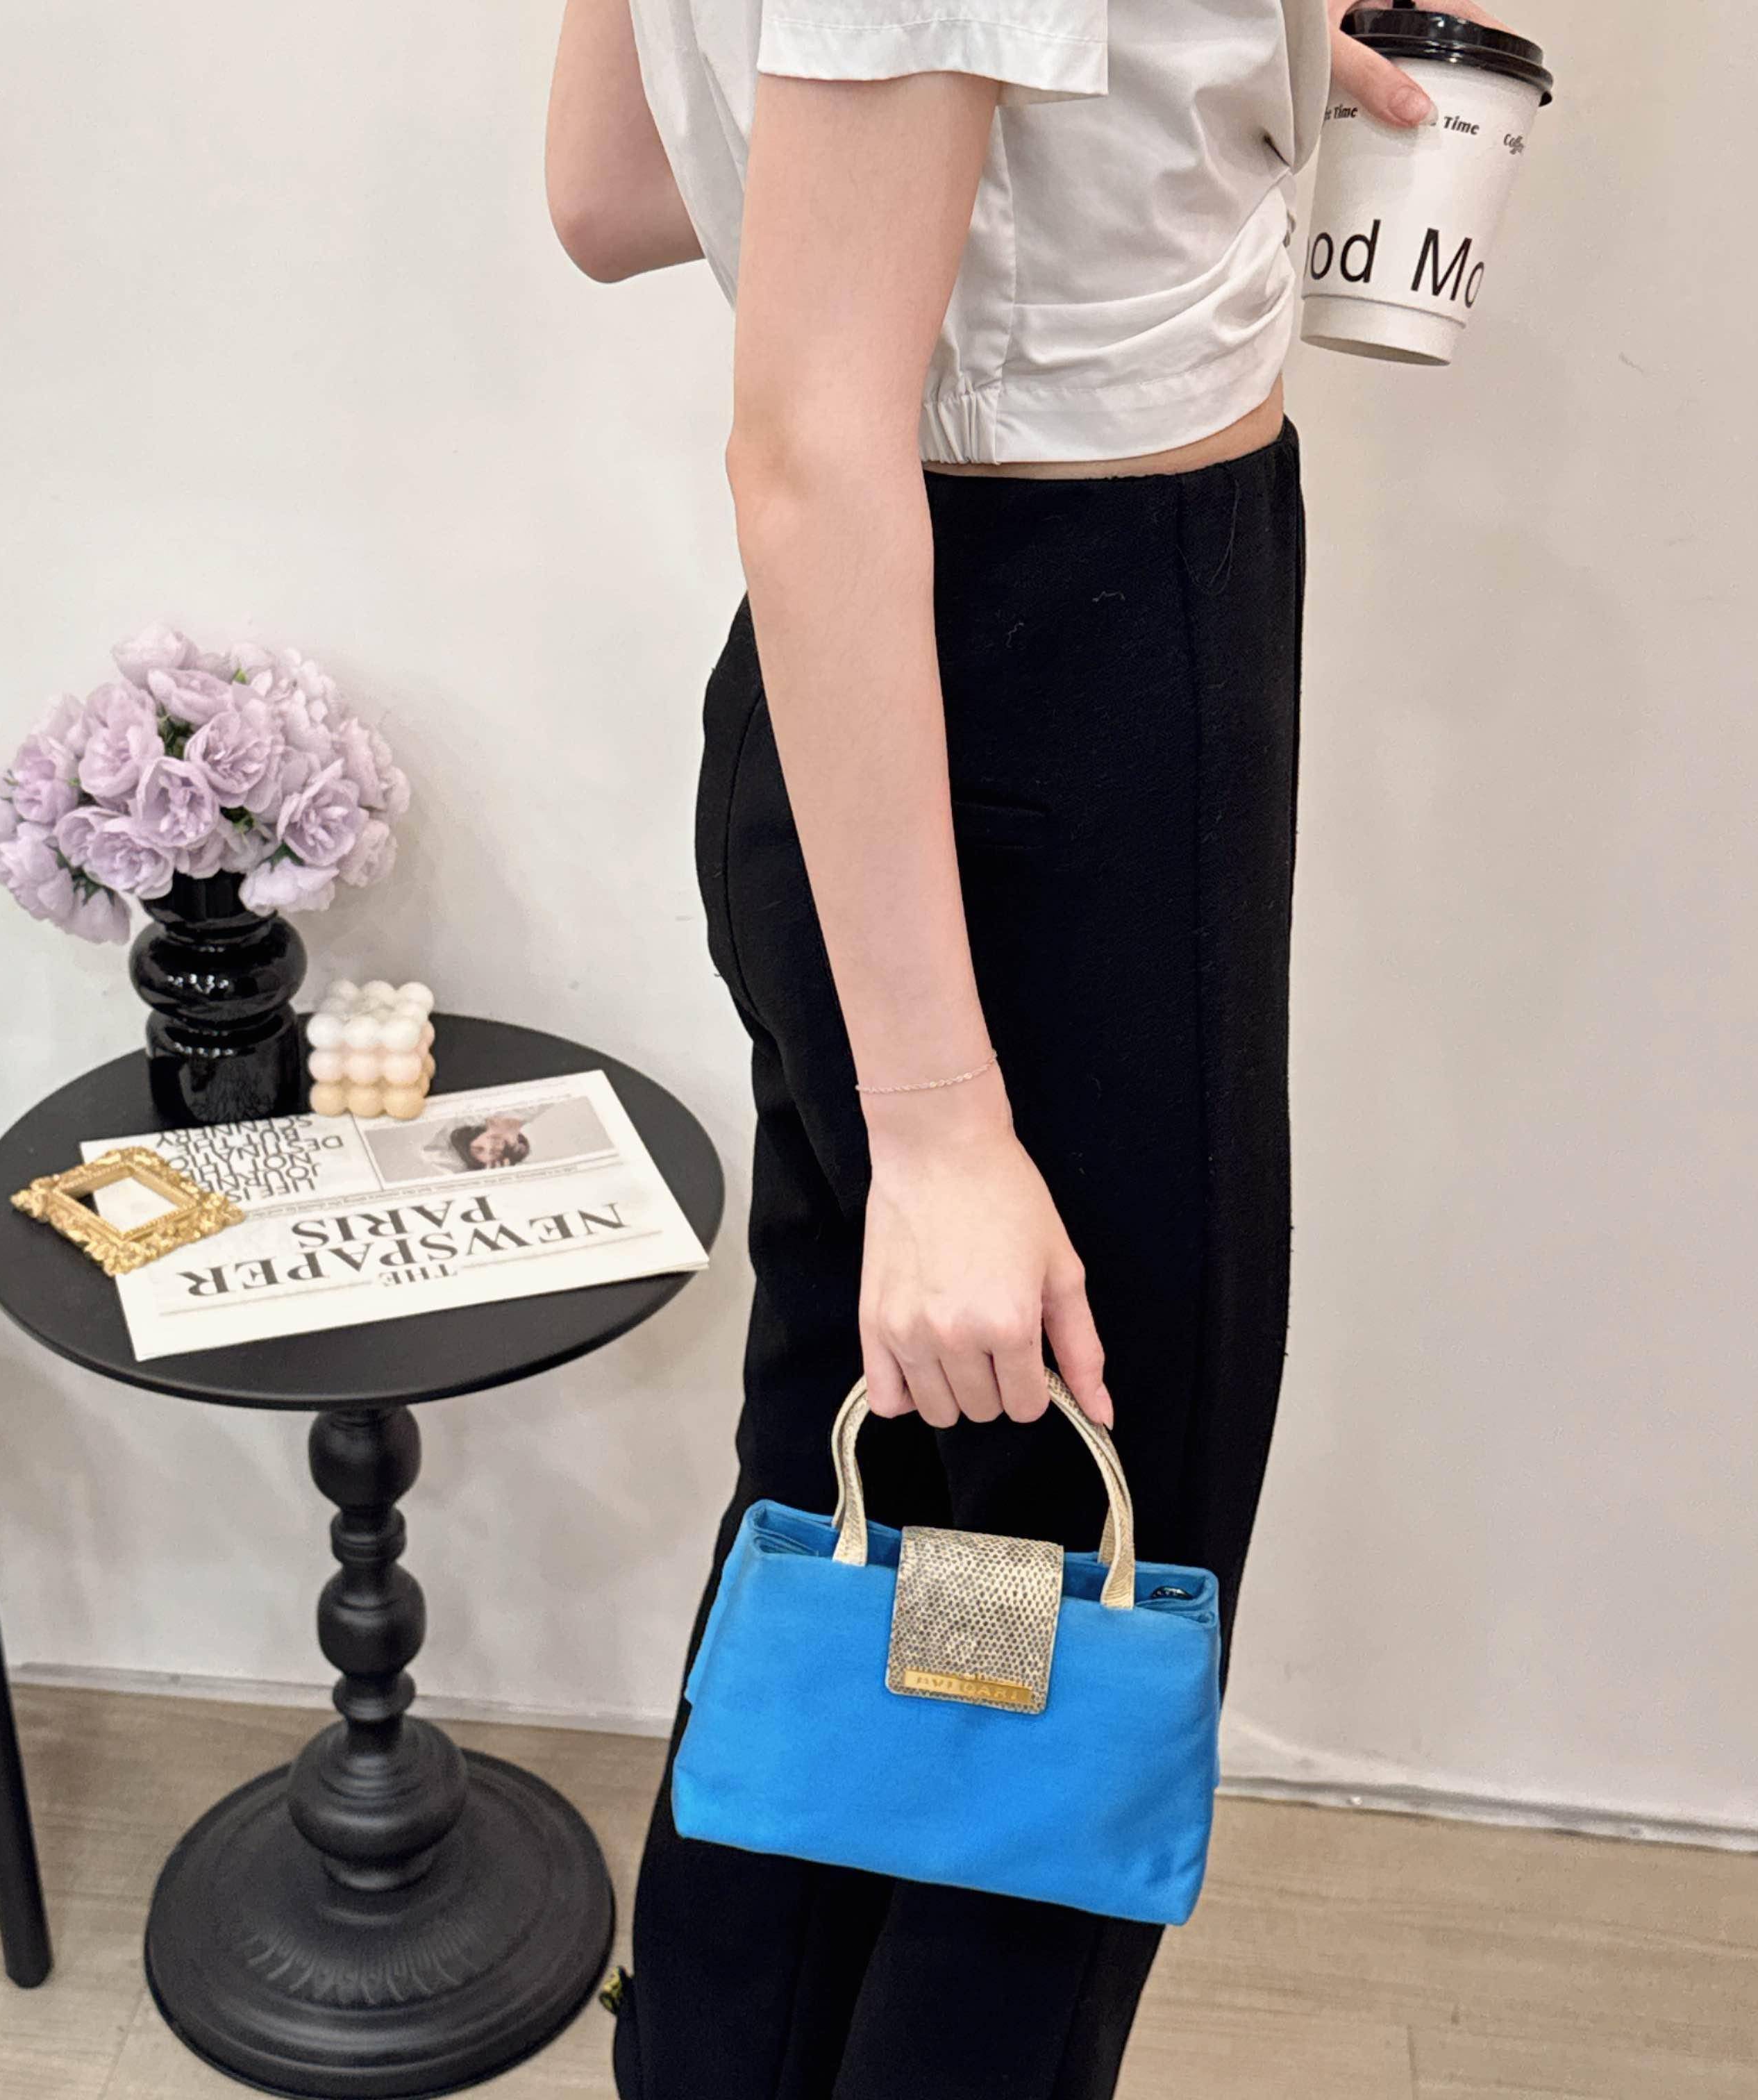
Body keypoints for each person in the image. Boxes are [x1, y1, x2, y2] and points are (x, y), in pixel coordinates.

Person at [546, 4, 1501, 2092]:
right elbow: (808, 443)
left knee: (869, 1541)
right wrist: (946, 1132)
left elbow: (611, 192)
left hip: (887, 743)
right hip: (1049, 751)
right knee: (1063, 1611)